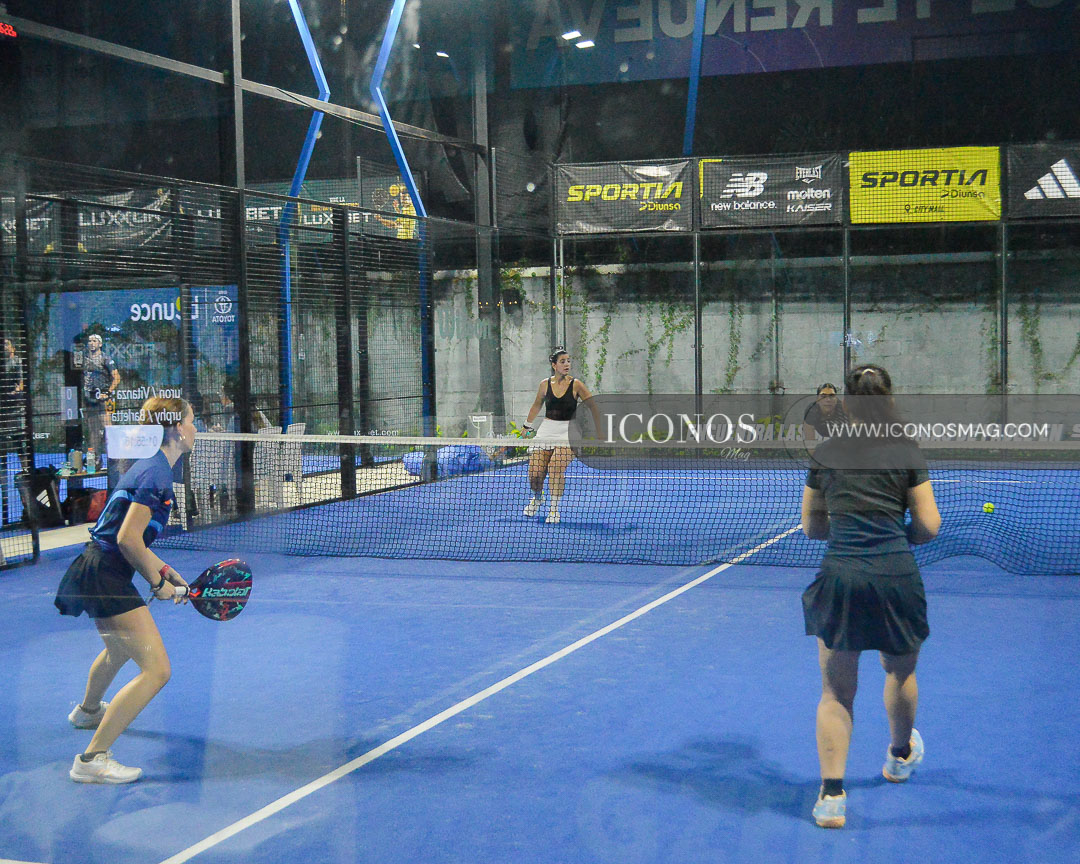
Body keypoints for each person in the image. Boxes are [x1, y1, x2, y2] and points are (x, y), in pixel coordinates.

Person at [800, 365, 941, 828]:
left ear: (847, 402)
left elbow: (811, 527)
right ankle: (900, 756)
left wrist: (848, 535)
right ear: (889, 400)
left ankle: (831, 797)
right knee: (900, 671)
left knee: (836, 693)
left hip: (841, 578)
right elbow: (929, 525)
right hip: (896, 576)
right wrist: (896, 537)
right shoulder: (906, 449)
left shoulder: (826, 451)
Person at [54, 396, 195, 784]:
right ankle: (91, 760)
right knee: (157, 670)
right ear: (177, 429)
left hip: (95, 568)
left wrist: (164, 571)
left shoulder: (151, 466)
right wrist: (157, 584)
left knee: (118, 649)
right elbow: (128, 539)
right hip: (106, 574)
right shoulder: (157, 474)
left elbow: (129, 539)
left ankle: (87, 712)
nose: (195, 429)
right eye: (191, 421)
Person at [521, 348, 601, 525]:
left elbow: (593, 406)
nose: (567, 364)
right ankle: (537, 499)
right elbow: (536, 405)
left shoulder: (576, 384)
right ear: (554, 365)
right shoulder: (544, 385)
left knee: (555, 468)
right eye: (563, 361)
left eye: (568, 361)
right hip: (546, 430)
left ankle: (554, 509)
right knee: (535, 475)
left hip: (569, 431)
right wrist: (527, 426)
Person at [81, 333, 121, 457]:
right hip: (90, 399)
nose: (92, 343)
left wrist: (107, 392)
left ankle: (115, 457)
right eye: (90, 341)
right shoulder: (84, 359)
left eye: (94, 341)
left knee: (108, 428)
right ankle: (96, 458)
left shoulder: (106, 359)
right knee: (93, 430)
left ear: (100, 344)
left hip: (104, 399)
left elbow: (117, 378)